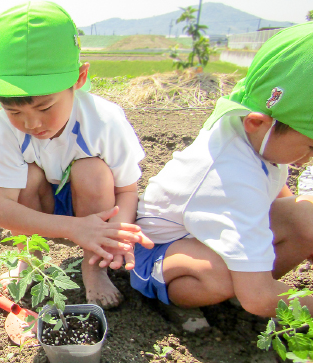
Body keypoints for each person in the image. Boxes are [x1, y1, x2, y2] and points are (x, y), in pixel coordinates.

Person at [133, 22, 313, 319]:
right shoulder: (230, 178)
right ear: (258, 123)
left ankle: (246, 280)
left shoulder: (256, 132)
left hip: (202, 234)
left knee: (304, 217)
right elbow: (259, 300)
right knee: (219, 275)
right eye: (309, 148)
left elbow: (275, 187)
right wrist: (264, 295)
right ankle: (202, 297)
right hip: (156, 252)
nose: (307, 160)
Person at [0, 1, 153, 309]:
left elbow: (127, 191)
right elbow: (2, 209)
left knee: (92, 170)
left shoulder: (105, 121)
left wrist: (116, 237)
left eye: (45, 107)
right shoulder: (7, 128)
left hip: (93, 207)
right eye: (14, 111)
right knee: (28, 176)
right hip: (44, 209)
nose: (31, 124)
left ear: (79, 78)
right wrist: (74, 229)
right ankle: (29, 260)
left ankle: (93, 268)